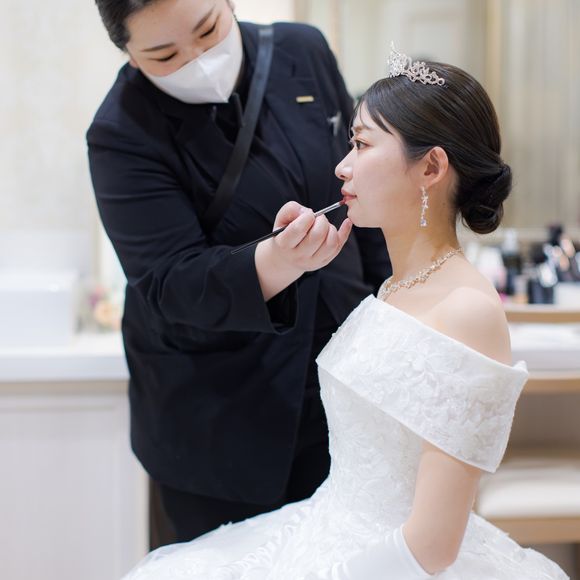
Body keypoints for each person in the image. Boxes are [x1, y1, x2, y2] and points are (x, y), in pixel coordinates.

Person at [118, 47, 569, 579]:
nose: (341, 165)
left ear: (430, 167)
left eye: (361, 144)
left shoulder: (468, 310)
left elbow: (432, 546)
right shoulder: (397, 285)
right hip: (329, 523)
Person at [88, 0, 389, 544]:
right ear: (128, 55)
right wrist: (278, 261)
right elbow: (171, 283)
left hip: (343, 392)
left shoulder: (302, 52)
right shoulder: (120, 132)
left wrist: (394, 301)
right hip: (220, 423)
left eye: (208, 29)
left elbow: (363, 196)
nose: (198, 60)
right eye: (164, 55)